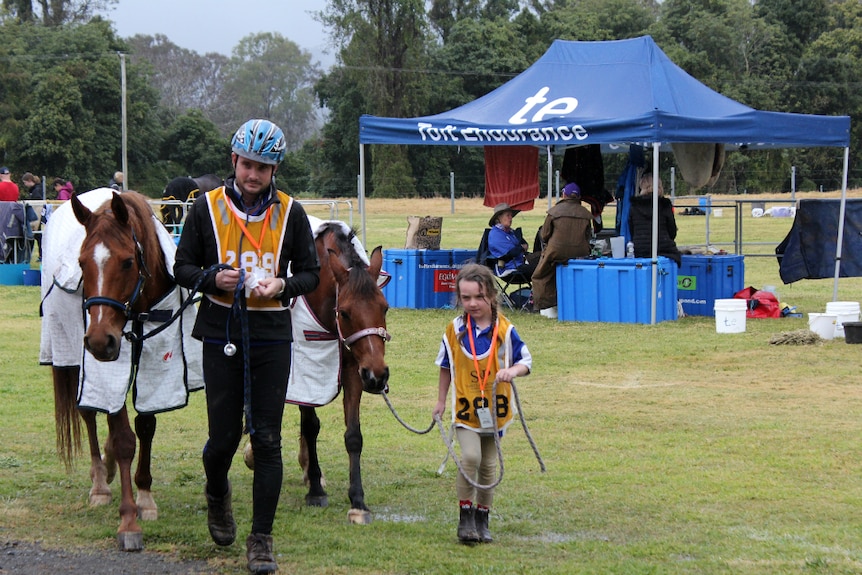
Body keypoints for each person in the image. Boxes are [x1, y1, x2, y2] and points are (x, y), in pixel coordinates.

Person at [174, 119, 320, 574]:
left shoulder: (291, 212)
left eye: (263, 167)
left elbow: (311, 274)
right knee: (222, 439)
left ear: (274, 169)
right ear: (233, 161)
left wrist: (283, 283)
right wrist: (211, 277)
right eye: (246, 164)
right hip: (220, 331)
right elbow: (181, 267)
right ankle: (217, 494)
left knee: (269, 440)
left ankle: (261, 539)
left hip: (272, 335)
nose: (253, 174)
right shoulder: (205, 209)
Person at [432, 263, 532, 544]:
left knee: (489, 466)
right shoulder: (454, 330)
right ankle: (465, 518)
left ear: (491, 295)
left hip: (495, 412)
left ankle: (482, 519)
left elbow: (526, 360)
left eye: (478, 297)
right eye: (466, 298)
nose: (472, 303)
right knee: (471, 458)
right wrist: (440, 400)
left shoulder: (505, 330)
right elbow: (445, 366)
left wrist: (512, 371)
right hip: (466, 411)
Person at [530, 182, 594, 317]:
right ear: (579, 197)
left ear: (564, 195)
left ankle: (547, 307)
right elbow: (588, 236)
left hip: (555, 252)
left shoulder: (554, 212)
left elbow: (545, 234)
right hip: (580, 253)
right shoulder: (586, 214)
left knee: (540, 276)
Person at [627, 172, 682, 265]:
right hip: (663, 249)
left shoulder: (634, 206)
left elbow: (632, 229)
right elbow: (672, 231)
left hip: (640, 250)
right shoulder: (664, 205)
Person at [486, 203, 539, 279]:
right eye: (508, 215)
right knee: (543, 269)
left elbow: (523, 245)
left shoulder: (510, 232)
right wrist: (521, 248)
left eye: (511, 216)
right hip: (509, 268)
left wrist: (521, 247)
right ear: (499, 218)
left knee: (545, 259)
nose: (511, 218)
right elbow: (512, 252)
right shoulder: (495, 234)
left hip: (520, 263)